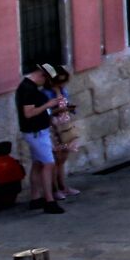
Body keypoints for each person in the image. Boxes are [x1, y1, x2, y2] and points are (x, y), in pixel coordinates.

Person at [14, 63, 63, 214]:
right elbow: (28, 113)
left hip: (37, 131)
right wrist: (48, 105)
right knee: (48, 164)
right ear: (42, 75)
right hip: (36, 133)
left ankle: (35, 198)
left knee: (38, 164)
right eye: (47, 80)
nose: (46, 83)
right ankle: (49, 200)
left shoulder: (30, 87)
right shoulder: (28, 89)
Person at [48, 67, 82, 200]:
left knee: (62, 159)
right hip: (54, 128)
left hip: (65, 127)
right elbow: (47, 112)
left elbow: (65, 104)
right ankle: (54, 189)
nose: (63, 84)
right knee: (55, 159)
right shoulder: (46, 94)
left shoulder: (63, 91)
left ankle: (63, 186)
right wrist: (59, 110)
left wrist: (70, 109)